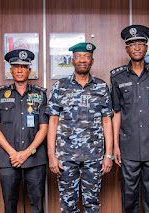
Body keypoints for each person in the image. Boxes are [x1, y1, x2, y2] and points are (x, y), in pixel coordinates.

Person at [46, 42, 113, 213]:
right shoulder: (60, 87)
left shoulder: (101, 87)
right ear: (72, 60)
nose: (82, 60)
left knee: (92, 204)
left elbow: (107, 121)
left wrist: (108, 155)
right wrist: (51, 155)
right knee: (68, 205)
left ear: (92, 61)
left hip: (94, 157)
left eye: (86, 57)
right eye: (78, 57)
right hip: (66, 157)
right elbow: (52, 121)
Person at [110, 25, 149, 213]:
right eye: (132, 44)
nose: (136, 48)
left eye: (140, 44)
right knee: (129, 195)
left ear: (146, 47)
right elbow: (117, 113)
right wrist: (115, 146)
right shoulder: (117, 76)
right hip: (127, 146)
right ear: (126, 49)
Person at [0, 49, 48, 213]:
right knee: (9, 205)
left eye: (24, 67)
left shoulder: (40, 95)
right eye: (16, 67)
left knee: (37, 205)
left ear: (30, 70)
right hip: (8, 159)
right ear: (11, 70)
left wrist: (26, 153)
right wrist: (14, 153)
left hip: (35, 159)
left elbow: (44, 128)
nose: (20, 70)